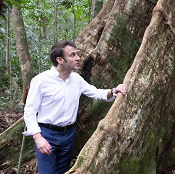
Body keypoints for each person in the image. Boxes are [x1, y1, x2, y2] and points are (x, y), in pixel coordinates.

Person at [23, 40, 126, 174]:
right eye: (72, 55)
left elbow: (95, 92)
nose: (78, 58)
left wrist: (113, 91)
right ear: (60, 59)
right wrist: (38, 138)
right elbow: (30, 111)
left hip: (68, 134)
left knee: (64, 171)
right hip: (47, 134)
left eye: (77, 54)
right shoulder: (41, 80)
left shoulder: (76, 79)